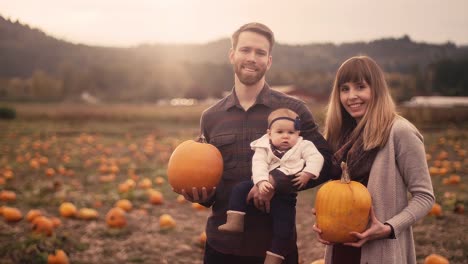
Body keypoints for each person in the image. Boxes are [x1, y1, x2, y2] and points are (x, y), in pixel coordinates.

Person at [179, 22, 333, 264]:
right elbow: (212, 178)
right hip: (222, 247)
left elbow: (326, 164)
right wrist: (202, 195)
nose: (252, 58)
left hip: (275, 248)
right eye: (245, 50)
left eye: (260, 52)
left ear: (269, 61)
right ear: (232, 55)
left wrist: (276, 181)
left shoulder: (293, 110)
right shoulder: (211, 117)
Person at [312, 55, 435, 264]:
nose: (352, 96)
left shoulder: (399, 131)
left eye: (360, 87)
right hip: (342, 249)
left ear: (376, 89)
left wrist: (388, 228)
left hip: (381, 249)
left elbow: (425, 197)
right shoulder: (340, 136)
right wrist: (326, 216)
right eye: (345, 89)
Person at [217, 108, 324, 263]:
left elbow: (316, 158)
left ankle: (275, 256)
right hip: (261, 182)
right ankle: (235, 221)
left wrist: (308, 173)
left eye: (291, 132)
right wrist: (261, 181)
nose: (285, 136)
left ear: (298, 133)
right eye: (280, 132)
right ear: (269, 133)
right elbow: (258, 163)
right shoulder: (263, 146)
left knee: (284, 227)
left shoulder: (304, 145)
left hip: (286, 191)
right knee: (240, 189)